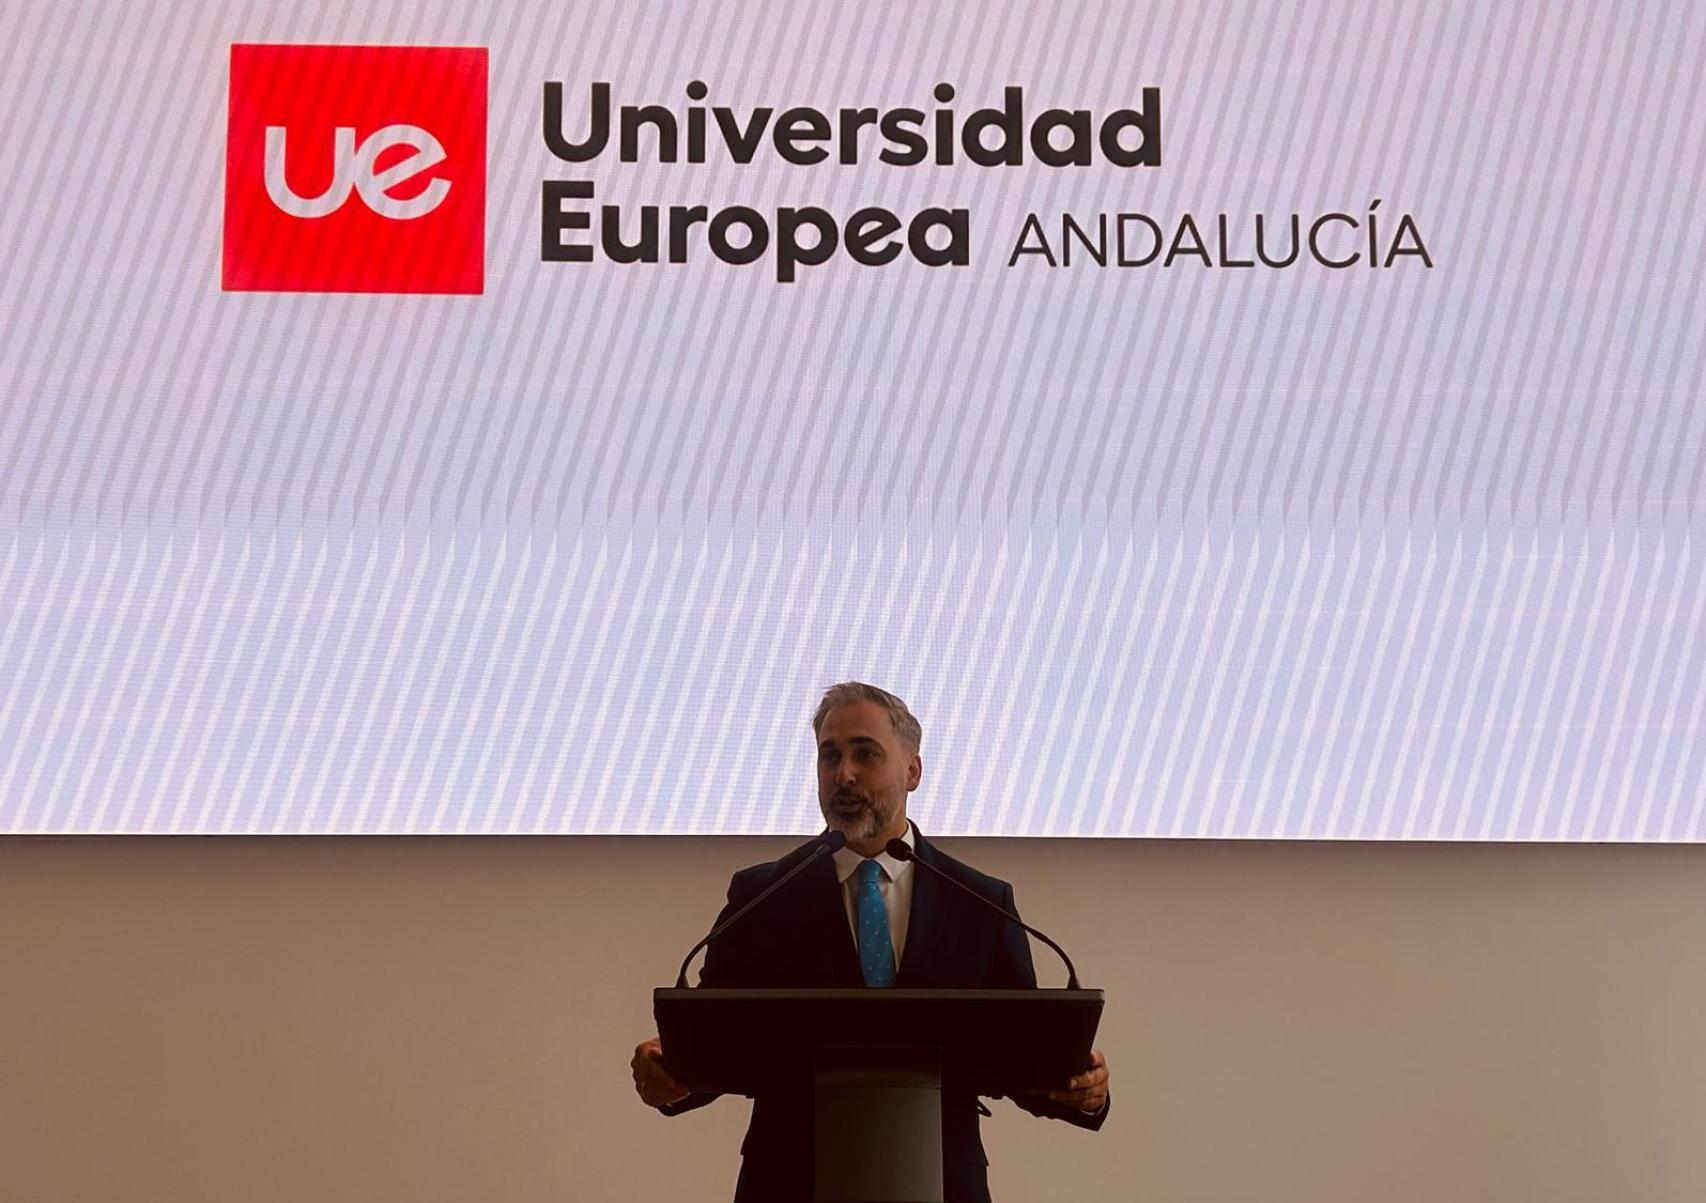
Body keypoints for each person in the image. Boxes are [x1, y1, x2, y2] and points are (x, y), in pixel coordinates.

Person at [631, 681, 1110, 1202]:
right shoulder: (763, 894)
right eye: (829, 756)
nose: (844, 774)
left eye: (865, 754)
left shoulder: (979, 901)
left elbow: (1023, 1055)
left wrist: (1083, 1088)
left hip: (941, 1181)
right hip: (788, 1181)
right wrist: (668, 1072)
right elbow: (714, 1045)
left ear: (913, 771)